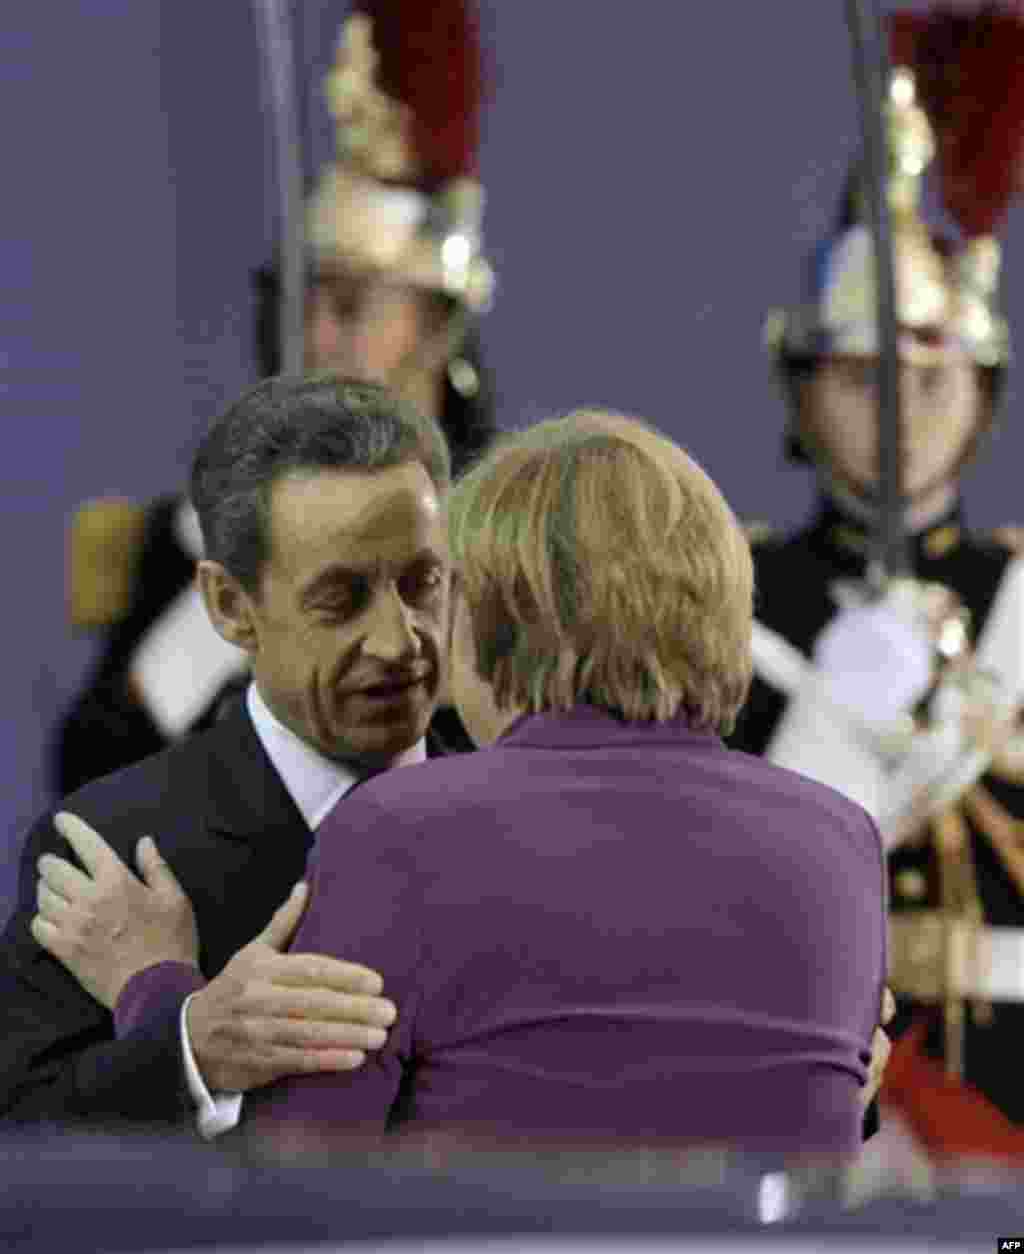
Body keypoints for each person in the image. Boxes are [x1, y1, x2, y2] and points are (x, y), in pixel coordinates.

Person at [109, 409, 888, 1155]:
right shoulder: (844, 845)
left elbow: (294, 1189)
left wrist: (157, 993)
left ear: (488, 617)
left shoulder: (397, 833)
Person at [56, 0, 496, 796]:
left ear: (439, 322)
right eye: (303, 302)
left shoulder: (507, 533)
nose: (319, 338)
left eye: (354, 305)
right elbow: (90, 770)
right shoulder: (200, 533)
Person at [0, 374, 455, 1131]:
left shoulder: (526, 816)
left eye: (422, 583)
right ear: (229, 607)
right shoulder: (112, 849)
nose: (399, 640)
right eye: (340, 600)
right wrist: (188, 1051)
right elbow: (17, 1140)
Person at [729, 5, 1024, 1159]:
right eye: (859, 375)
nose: (900, 406)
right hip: (795, 1078)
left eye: (930, 370)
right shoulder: (730, 601)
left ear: (984, 389)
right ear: (799, 392)